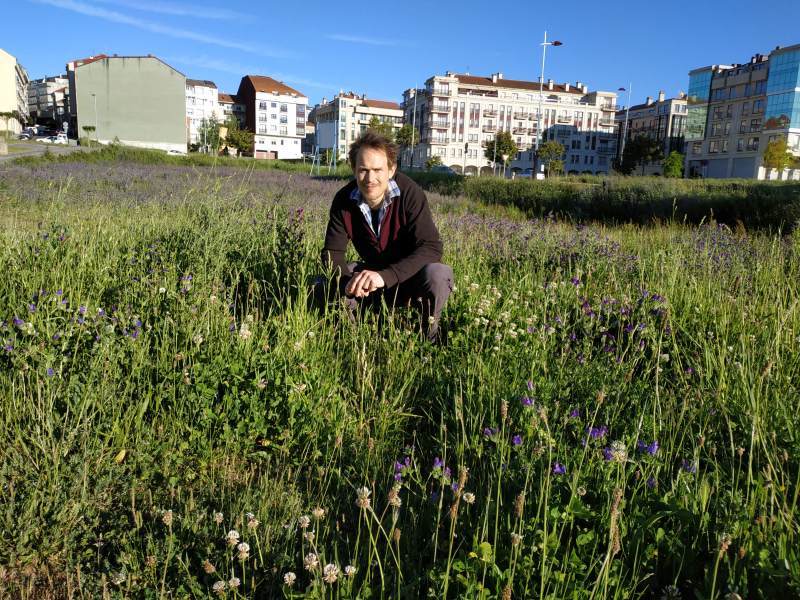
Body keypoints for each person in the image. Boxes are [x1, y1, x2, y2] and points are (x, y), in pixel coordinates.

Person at [315, 131, 453, 342]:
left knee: (438, 273)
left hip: (408, 278)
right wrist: (346, 282)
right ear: (353, 169)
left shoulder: (409, 193)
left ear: (391, 169)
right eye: (363, 170)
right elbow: (333, 252)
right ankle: (351, 338)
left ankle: (430, 339)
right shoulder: (343, 200)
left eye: (378, 170)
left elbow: (431, 247)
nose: (370, 179)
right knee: (330, 279)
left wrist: (385, 276)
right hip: (370, 281)